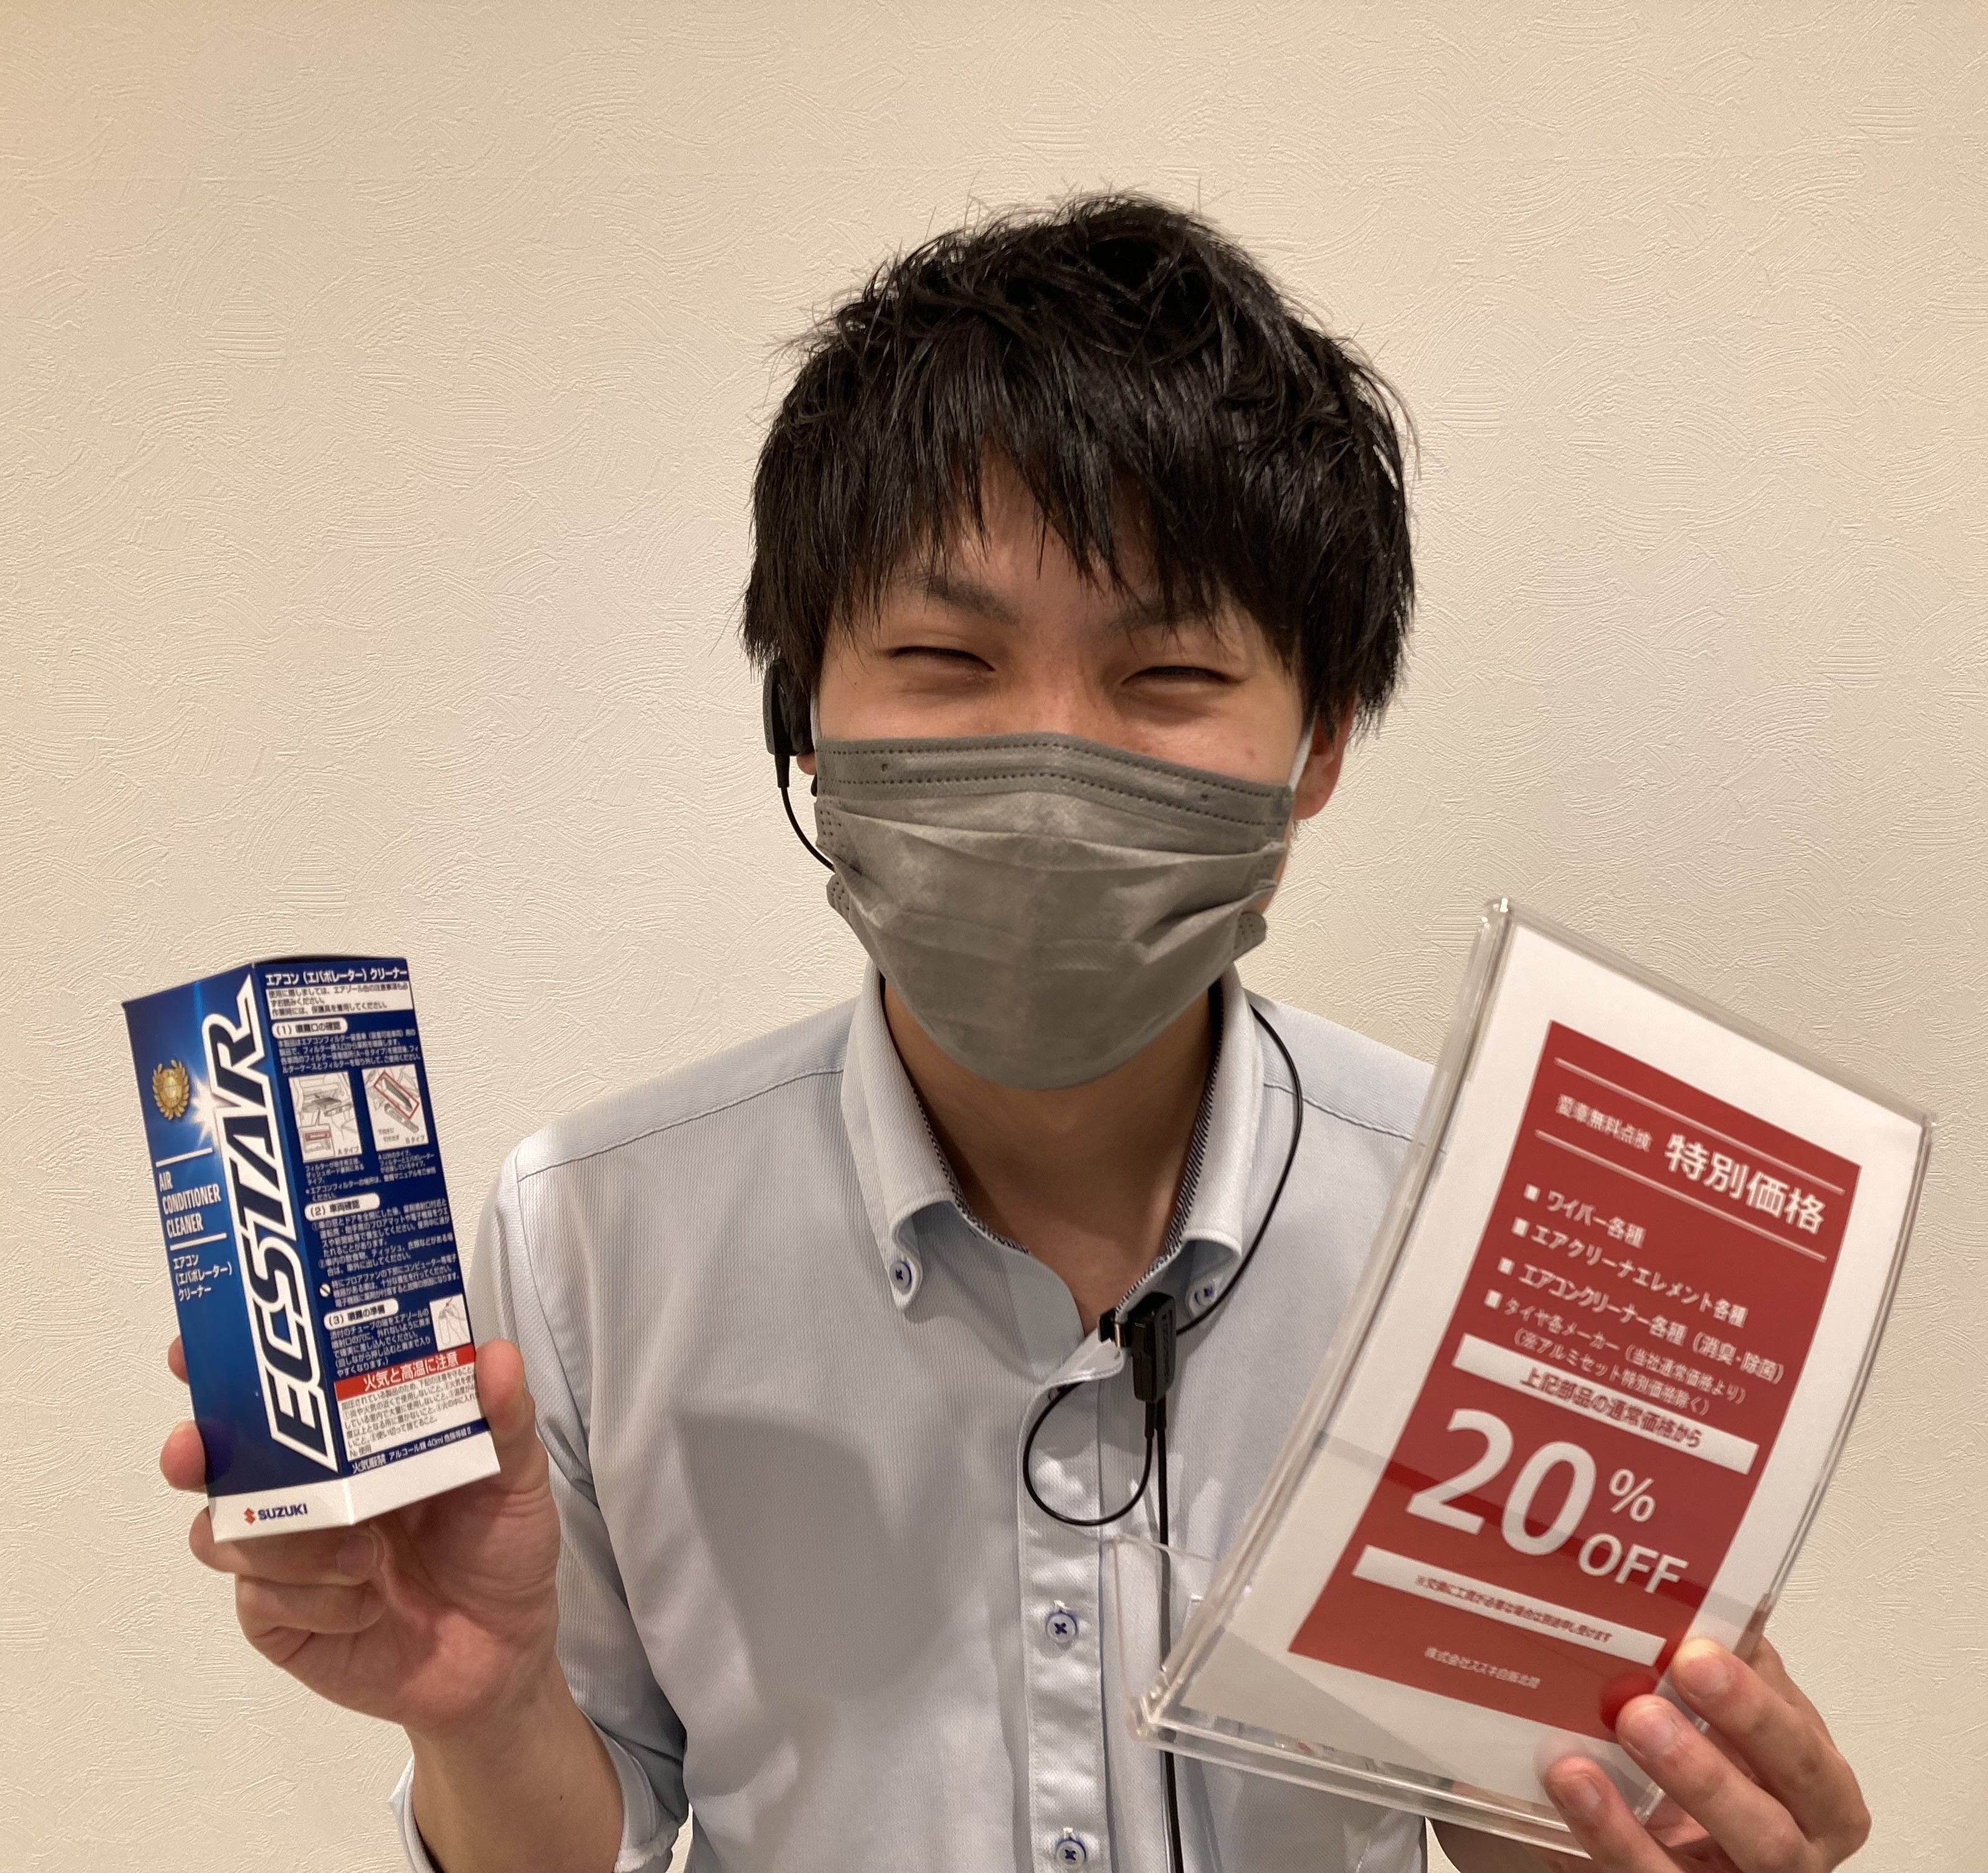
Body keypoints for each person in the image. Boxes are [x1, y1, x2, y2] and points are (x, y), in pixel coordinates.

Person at [159, 193, 1872, 1873]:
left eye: (1169, 677)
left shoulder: (1497, 1231)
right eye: (943, 657)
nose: (1053, 762)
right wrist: (479, 1714)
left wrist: (1649, 1837)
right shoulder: (594, 1235)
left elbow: (1520, 1824)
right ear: (805, 718)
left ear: (1323, 743)